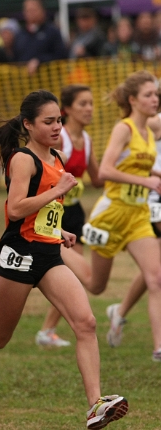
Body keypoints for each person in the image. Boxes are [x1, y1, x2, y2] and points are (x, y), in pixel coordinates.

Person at [0, 89, 129, 429]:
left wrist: (59, 231)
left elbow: (44, 209)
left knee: (85, 322)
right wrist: (57, 191)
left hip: (48, 254)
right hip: (18, 254)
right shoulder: (22, 159)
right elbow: (15, 209)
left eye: (59, 120)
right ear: (28, 125)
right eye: (48, 122)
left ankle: (95, 405)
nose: (57, 127)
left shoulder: (56, 159)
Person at [82, 70, 161, 362]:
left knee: (156, 278)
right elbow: (104, 171)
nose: (155, 99)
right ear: (133, 100)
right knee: (96, 285)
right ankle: (59, 253)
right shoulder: (124, 128)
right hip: (111, 214)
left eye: (156, 94)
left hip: (138, 215)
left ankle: (158, 348)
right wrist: (146, 181)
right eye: (149, 95)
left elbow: (138, 166)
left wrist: (154, 174)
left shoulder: (149, 132)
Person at [35, 85, 103, 347]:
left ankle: (48, 330)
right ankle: (47, 329)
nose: (89, 109)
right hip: (54, 214)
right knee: (70, 274)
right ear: (68, 109)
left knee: (76, 277)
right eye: (83, 104)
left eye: (91, 103)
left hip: (74, 213)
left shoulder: (86, 141)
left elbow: (98, 179)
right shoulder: (58, 138)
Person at [13, 0, 67, 74]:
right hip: (25, 81)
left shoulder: (52, 31)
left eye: (33, 10)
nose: (30, 13)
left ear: (42, 11)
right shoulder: (20, 34)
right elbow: (16, 58)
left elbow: (61, 55)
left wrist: (40, 60)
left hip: (49, 79)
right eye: (28, 10)